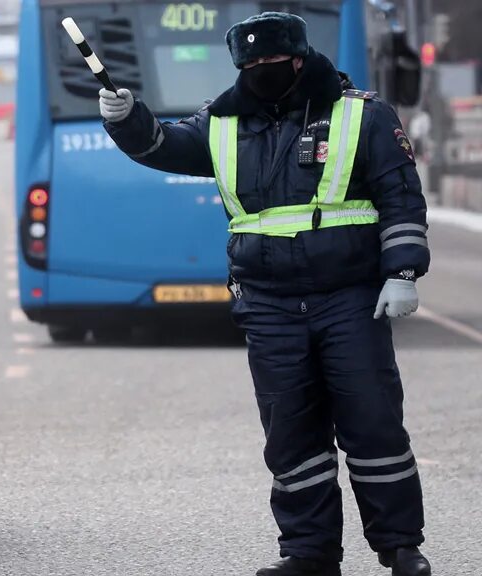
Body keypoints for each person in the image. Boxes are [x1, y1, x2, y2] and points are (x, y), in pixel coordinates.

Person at [99, 12, 431, 576]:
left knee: (373, 425)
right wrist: (128, 120)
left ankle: (400, 546)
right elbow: (163, 147)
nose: (260, 72)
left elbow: (401, 195)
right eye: (249, 65)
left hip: (348, 297)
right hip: (270, 304)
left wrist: (403, 271)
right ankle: (309, 552)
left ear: (299, 60)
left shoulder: (362, 115)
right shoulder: (224, 123)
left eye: (271, 63)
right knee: (291, 436)